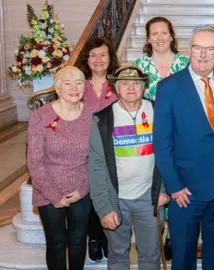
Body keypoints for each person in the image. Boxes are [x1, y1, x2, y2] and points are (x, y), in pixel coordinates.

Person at [154, 25, 214, 270]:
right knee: (182, 255)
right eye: (198, 48)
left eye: (210, 48)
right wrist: (174, 186)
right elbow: (162, 142)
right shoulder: (168, 88)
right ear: (188, 50)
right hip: (185, 191)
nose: (203, 54)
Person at [87, 66, 169, 270]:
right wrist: (104, 207)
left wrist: (164, 190)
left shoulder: (159, 112)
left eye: (136, 83)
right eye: (124, 83)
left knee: (151, 254)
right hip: (117, 198)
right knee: (117, 253)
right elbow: (96, 166)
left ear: (143, 86)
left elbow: (170, 153)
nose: (131, 87)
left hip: (149, 196)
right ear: (116, 87)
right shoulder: (103, 120)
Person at [27, 66, 93, 270]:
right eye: (67, 83)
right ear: (57, 87)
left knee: (79, 241)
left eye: (79, 82)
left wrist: (83, 189)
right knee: (56, 244)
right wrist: (53, 195)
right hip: (48, 191)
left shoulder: (93, 116)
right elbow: (34, 162)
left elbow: (98, 159)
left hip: (82, 189)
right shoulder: (40, 116)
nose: (74, 88)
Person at [76, 36, 121, 262]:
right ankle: (94, 237)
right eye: (93, 55)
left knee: (109, 190)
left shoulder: (118, 83)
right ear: (87, 59)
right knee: (90, 190)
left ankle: (109, 236)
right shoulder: (79, 84)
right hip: (84, 149)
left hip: (114, 149)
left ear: (110, 57)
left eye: (103, 54)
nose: (98, 59)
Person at [133, 16, 189, 101]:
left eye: (164, 33)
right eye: (155, 34)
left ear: (171, 37)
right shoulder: (139, 65)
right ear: (148, 39)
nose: (160, 38)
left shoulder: (185, 63)